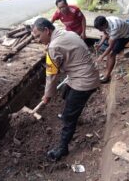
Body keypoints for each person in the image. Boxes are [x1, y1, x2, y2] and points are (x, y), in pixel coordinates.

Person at [32, 17, 99, 161]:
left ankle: (62, 149)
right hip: (88, 74)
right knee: (65, 94)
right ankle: (71, 113)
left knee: (69, 118)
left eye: (38, 36)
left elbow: (52, 76)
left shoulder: (53, 47)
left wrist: (47, 96)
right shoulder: (69, 33)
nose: (37, 40)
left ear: (47, 31)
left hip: (83, 83)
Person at [94, 16, 129, 83]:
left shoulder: (115, 28)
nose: (100, 30)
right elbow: (105, 33)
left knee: (111, 54)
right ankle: (106, 72)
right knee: (109, 53)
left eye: (100, 29)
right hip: (119, 32)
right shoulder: (105, 21)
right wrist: (99, 44)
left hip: (125, 35)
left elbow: (110, 47)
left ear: (105, 24)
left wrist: (101, 57)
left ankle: (107, 76)